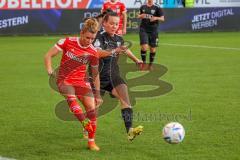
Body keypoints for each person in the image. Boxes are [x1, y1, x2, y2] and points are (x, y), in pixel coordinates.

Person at [44, 18, 102, 151]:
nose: (89, 41)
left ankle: (91, 142)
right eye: (87, 37)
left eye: (92, 39)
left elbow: (95, 75)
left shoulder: (93, 51)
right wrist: (49, 69)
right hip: (64, 80)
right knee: (72, 99)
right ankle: (85, 123)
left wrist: (98, 94)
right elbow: (48, 55)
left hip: (81, 81)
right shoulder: (67, 41)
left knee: (92, 110)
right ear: (82, 32)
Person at [93, 12, 143, 141]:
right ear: (104, 23)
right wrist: (114, 50)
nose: (114, 26)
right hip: (98, 77)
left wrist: (136, 59)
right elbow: (97, 54)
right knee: (94, 108)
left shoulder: (118, 38)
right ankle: (87, 128)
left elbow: (124, 49)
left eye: (116, 24)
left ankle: (130, 131)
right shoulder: (99, 38)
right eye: (111, 23)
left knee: (126, 100)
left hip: (114, 77)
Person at [138, 0, 165, 70]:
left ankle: (150, 65)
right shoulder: (143, 6)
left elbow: (162, 18)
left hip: (153, 30)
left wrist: (156, 18)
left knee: (152, 49)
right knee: (144, 47)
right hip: (143, 29)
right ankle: (143, 64)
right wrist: (141, 16)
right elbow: (138, 15)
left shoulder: (157, 7)